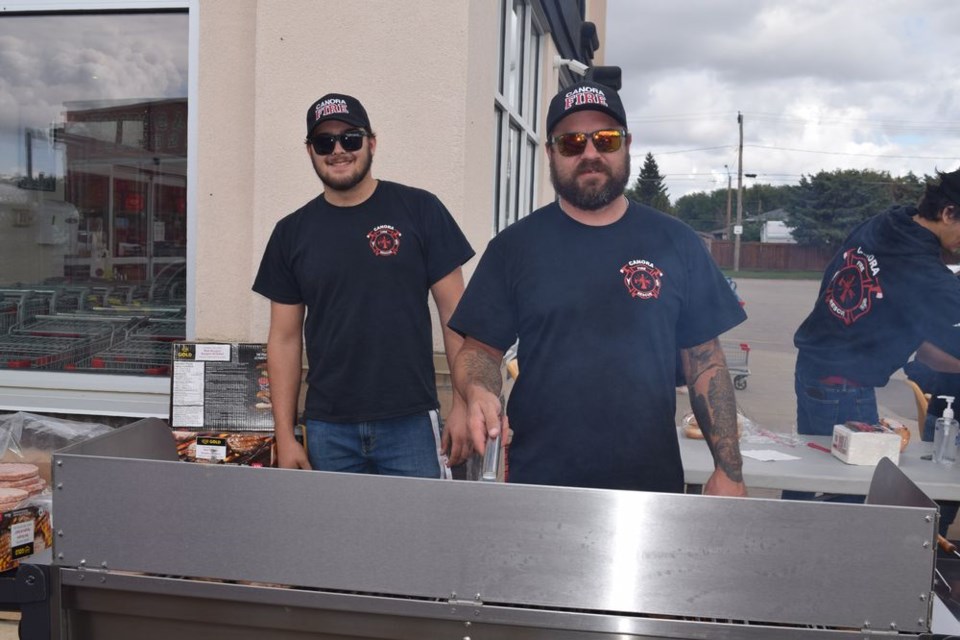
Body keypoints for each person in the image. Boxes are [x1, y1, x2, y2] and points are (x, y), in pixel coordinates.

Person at [448, 81, 748, 496]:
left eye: (605, 139)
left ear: (627, 145)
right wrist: (479, 390)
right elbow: (479, 352)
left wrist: (728, 470)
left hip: (649, 484)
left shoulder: (677, 243)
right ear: (551, 152)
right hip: (539, 481)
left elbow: (706, 363)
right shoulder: (514, 248)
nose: (590, 153)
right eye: (572, 142)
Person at [253, 93, 474, 478]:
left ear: (372, 142)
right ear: (310, 151)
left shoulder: (421, 210)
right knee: (334, 537)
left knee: (417, 533)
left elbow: (456, 317)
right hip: (327, 427)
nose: (338, 150)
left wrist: (463, 404)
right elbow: (284, 339)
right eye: (325, 142)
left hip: (409, 422)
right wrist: (285, 435)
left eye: (350, 138)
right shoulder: (290, 233)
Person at [791, 168, 960, 501]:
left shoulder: (887, 222)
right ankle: (819, 549)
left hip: (813, 367)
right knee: (851, 488)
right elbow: (933, 348)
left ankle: (788, 536)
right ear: (949, 212)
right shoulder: (925, 271)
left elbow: (925, 350)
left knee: (809, 472)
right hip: (845, 387)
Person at [904, 358, 960, 537]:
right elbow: (923, 353)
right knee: (936, 512)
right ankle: (928, 558)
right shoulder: (949, 330)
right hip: (946, 420)